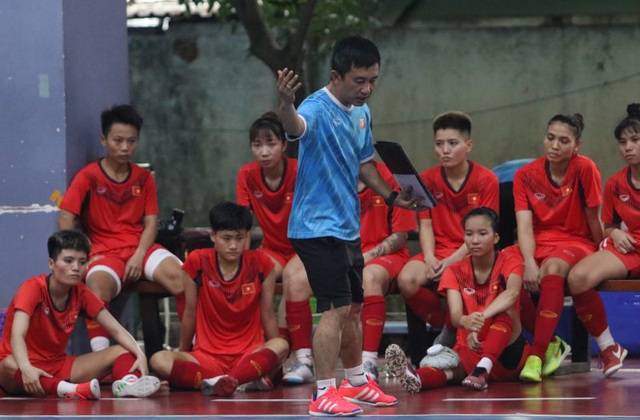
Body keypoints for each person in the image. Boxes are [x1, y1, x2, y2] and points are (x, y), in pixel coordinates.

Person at [276, 36, 423, 416]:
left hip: (346, 227)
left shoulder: (362, 112)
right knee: (335, 309)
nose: (367, 88)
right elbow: (295, 126)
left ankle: (356, 382)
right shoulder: (316, 107)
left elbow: (365, 163)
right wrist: (286, 104)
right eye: (359, 80)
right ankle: (323, 392)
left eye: (373, 80)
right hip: (314, 226)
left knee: (355, 305)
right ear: (336, 76)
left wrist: (392, 198)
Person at [58, 104, 185, 352]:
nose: (125, 147)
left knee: (185, 279)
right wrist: (82, 256)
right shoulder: (89, 176)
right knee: (96, 288)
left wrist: (139, 255)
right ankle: (103, 358)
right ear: (104, 139)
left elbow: (150, 223)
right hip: (105, 253)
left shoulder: (143, 178)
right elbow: (66, 217)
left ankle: (191, 349)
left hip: (142, 249)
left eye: (131, 141)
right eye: (118, 140)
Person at [282, 160, 417, 384]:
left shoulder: (388, 177)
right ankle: (304, 360)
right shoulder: (328, 175)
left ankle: (368, 361)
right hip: (337, 252)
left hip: (382, 256)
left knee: (368, 276)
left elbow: (400, 236)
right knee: (295, 278)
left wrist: (363, 257)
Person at [149, 202, 289, 395]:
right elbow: (190, 312)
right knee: (158, 360)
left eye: (239, 238)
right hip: (207, 357)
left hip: (249, 354)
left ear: (247, 237)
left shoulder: (262, 264)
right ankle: (238, 381)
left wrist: (276, 360)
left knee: (281, 345)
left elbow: (268, 315)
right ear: (213, 236)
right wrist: (183, 352)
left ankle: (231, 381)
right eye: (226, 238)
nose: (233, 245)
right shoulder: (197, 262)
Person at [0, 230, 160, 399]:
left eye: (82, 262)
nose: (76, 268)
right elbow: (17, 335)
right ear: (51, 264)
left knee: (122, 350)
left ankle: (128, 383)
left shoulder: (81, 293)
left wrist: (139, 354)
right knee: (9, 364)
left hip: (57, 366)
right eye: (68, 261)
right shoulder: (32, 288)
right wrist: (26, 367)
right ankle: (71, 390)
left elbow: (117, 330)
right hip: (17, 369)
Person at [386, 207, 529, 392]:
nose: (475, 240)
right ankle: (416, 377)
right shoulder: (454, 271)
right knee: (448, 371)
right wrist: (465, 321)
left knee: (506, 312)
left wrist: (480, 318)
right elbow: (454, 315)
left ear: (496, 237)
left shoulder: (510, 261)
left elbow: (512, 295)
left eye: (482, 233)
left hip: (509, 353)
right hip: (472, 346)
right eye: (469, 234)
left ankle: (483, 368)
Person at [395, 111, 499, 361]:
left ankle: (450, 334)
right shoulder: (427, 180)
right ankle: (449, 326)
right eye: (439, 144)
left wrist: (451, 261)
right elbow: (426, 225)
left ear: (468, 145)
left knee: (455, 278)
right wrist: (430, 257)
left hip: (471, 253)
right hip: (438, 251)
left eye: (453, 143)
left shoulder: (487, 180)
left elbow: (482, 232)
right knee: (407, 279)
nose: (445, 150)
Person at [511, 113, 603, 383]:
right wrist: (528, 261)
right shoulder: (525, 175)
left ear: (577, 145)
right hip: (537, 244)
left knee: (552, 268)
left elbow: (593, 218)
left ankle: (536, 355)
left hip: (577, 243)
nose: (554, 145)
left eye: (564, 141)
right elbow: (524, 227)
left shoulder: (585, 168)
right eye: (550, 138)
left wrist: (601, 253)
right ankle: (552, 342)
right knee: (504, 268)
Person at [566, 105, 640, 377]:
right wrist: (616, 233)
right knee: (578, 278)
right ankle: (609, 347)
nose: (627, 148)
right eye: (623, 142)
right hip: (630, 247)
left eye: (635, 140)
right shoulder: (615, 183)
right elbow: (608, 225)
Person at [236, 111, 304, 341]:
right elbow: (243, 223)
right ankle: (250, 341)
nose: (264, 152)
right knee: (247, 277)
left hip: (302, 249)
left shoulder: (299, 170)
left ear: (284, 144)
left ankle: (283, 346)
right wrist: (240, 260)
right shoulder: (246, 174)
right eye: (257, 145)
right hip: (271, 249)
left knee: (291, 280)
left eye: (271, 144)